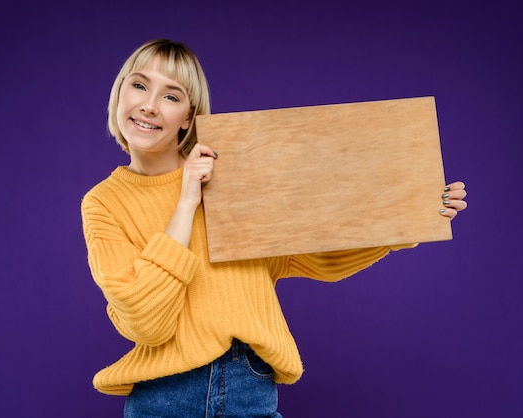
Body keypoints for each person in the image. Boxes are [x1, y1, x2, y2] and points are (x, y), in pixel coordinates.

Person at [81, 39, 468, 418]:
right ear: (119, 94)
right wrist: (185, 204)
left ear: (188, 117)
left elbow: (318, 250)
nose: (149, 105)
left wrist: (410, 213)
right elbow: (146, 320)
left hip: (248, 386)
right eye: (139, 85)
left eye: (171, 95)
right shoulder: (103, 203)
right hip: (163, 398)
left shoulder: (232, 175)